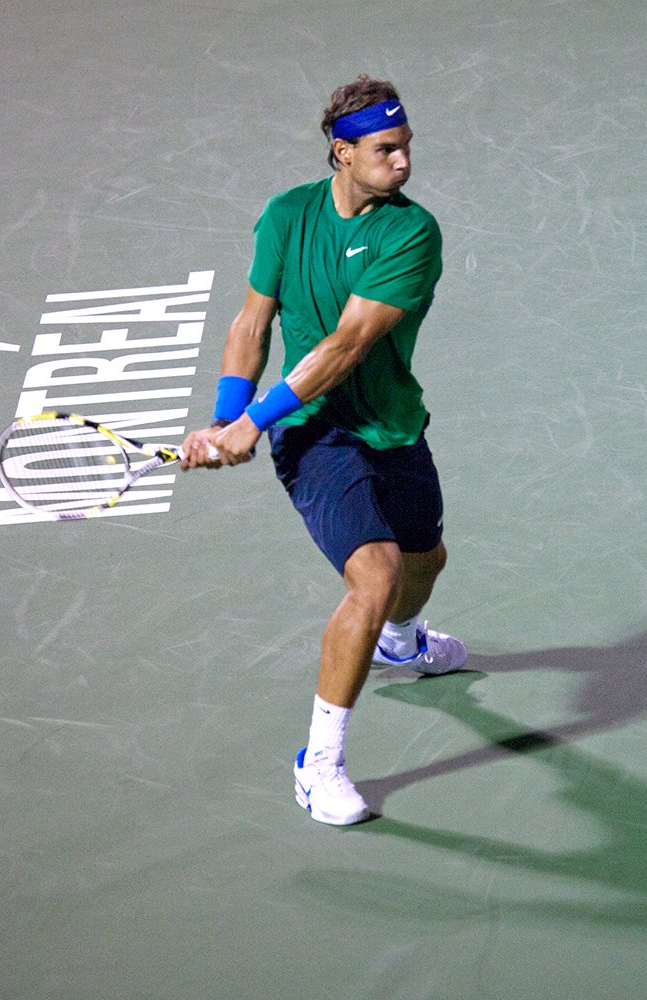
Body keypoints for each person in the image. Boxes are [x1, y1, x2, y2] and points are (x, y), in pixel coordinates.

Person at [181, 75, 467, 826]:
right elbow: (252, 323)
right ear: (342, 153)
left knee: (423, 563)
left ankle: (403, 647)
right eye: (386, 151)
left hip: (392, 422)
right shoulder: (287, 216)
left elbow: (347, 344)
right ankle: (321, 764)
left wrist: (250, 424)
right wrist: (227, 417)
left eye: (406, 148)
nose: (404, 163)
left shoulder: (412, 233)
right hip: (315, 432)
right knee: (371, 579)